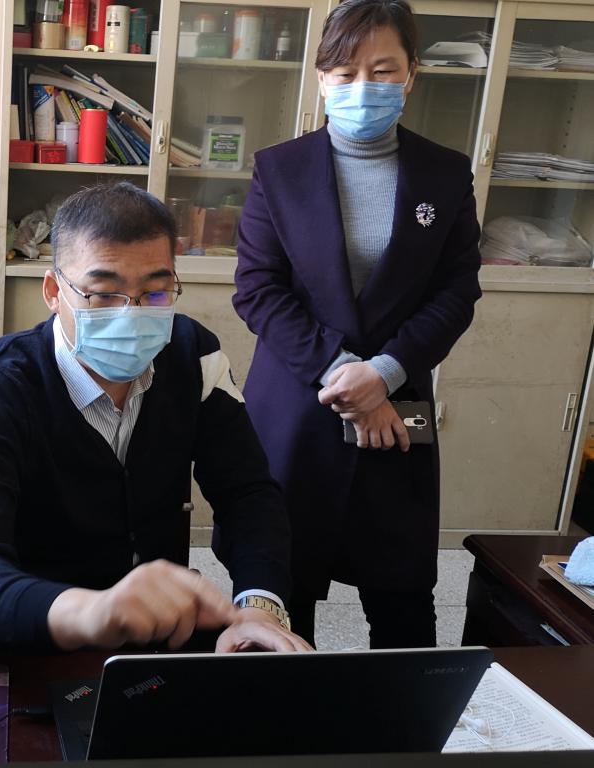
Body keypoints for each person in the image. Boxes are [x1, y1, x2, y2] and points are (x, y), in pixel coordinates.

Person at [0, 182, 311, 654]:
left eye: (155, 293)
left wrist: (258, 608)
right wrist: (94, 611)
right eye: (104, 294)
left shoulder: (194, 357)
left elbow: (248, 494)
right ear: (53, 291)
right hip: (33, 643)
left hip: (159, 640)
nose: (131, 315)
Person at [232, 0, 482, 648]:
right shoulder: (279, 170)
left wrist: (385, 373)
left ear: (411, 74)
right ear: (321, 78)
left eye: (383, 70)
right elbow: (257, 289)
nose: (363, 86)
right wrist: (347, 374)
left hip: (399, 405)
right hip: (300, 400)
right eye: (345, 73)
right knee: (286, 589)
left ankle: (403, 711)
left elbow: (458, 291)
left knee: (404, 597)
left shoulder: (445, 173)